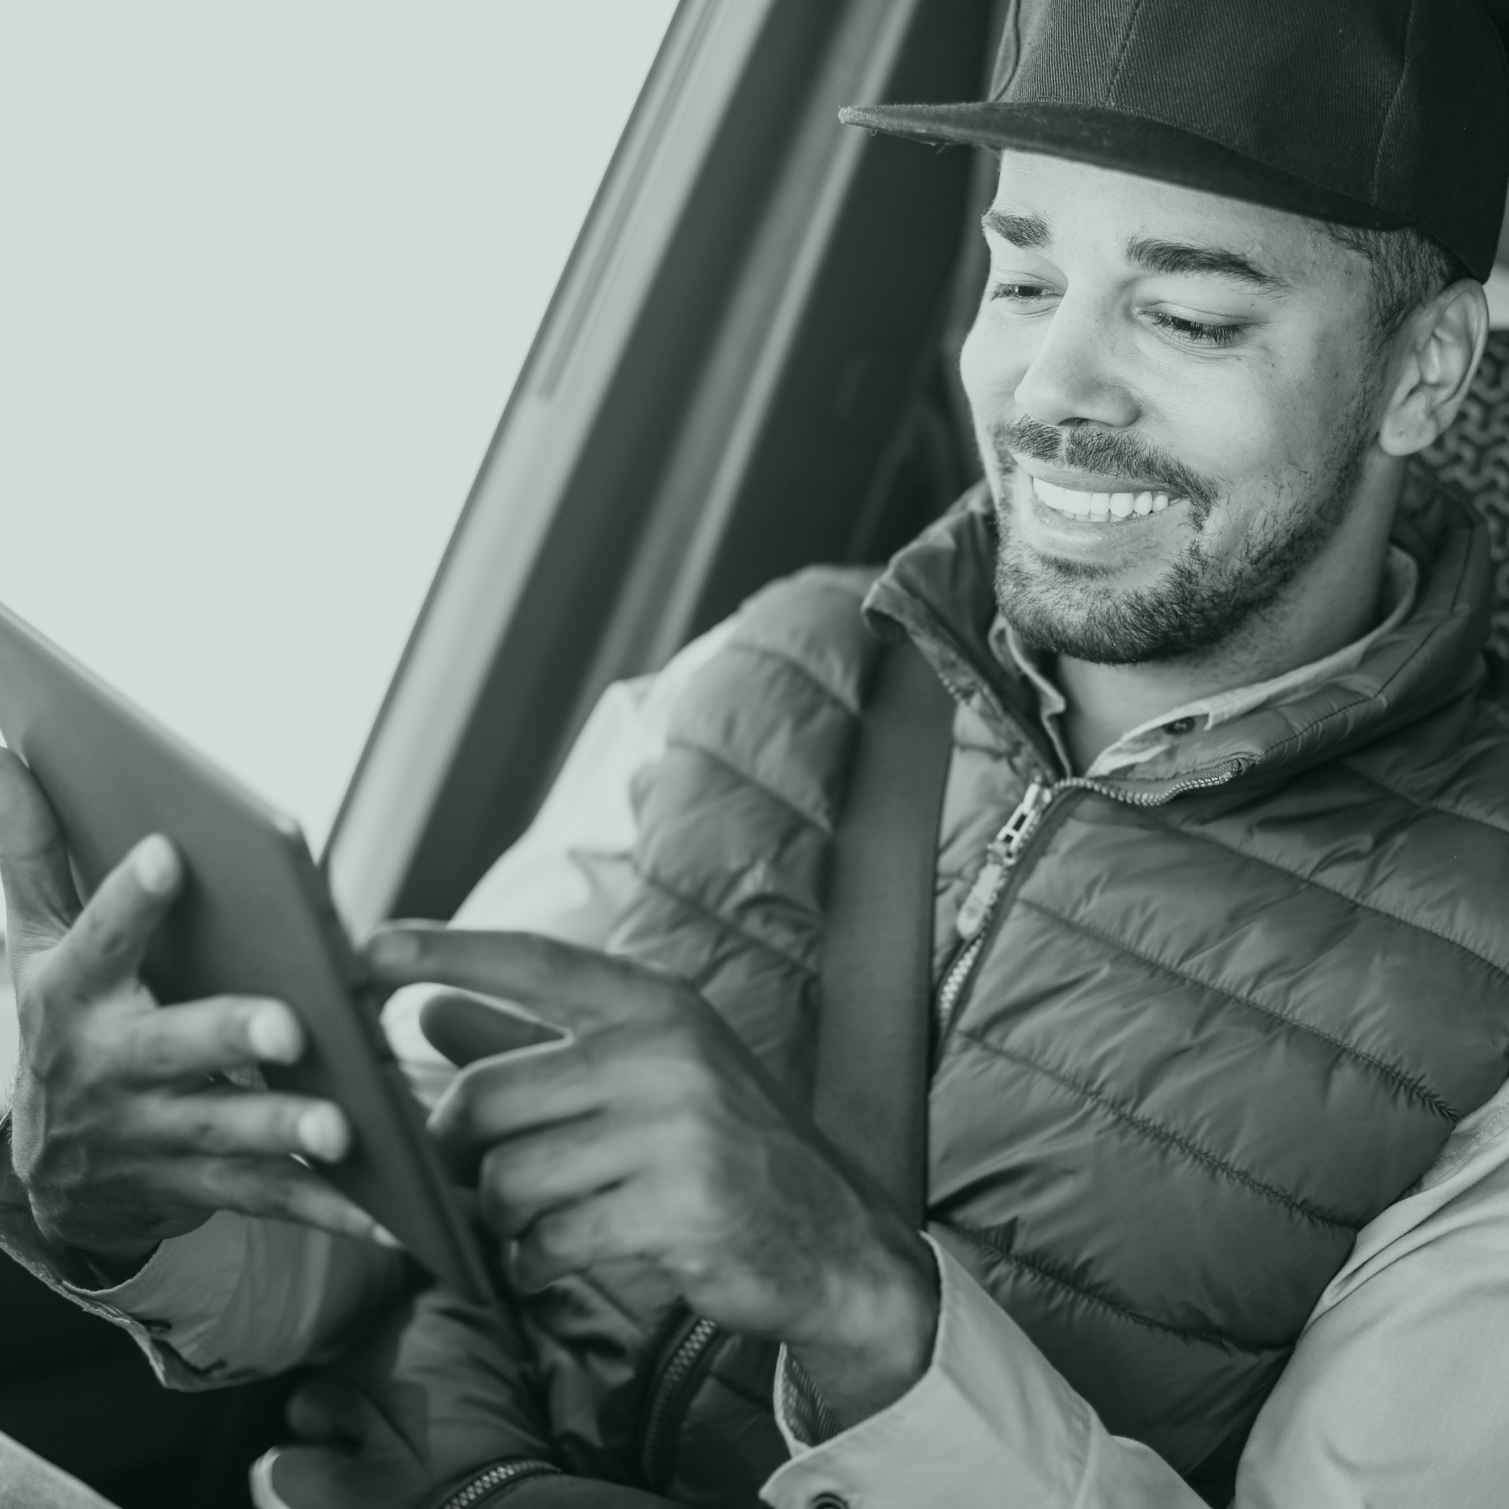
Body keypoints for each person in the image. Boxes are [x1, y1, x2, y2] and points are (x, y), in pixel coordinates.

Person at [3, 0, 1509, 1504]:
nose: (1051, 389)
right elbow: (403, 1217)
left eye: (1186, 317)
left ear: (1425, 374)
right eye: (1027, 273)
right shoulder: (780, 660)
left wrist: (864, 1307)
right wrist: (142, 1190)